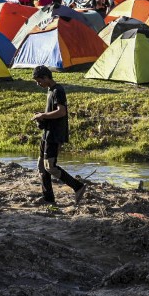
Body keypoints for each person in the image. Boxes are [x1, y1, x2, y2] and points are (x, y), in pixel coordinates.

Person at [31, 66, 86, 205]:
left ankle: (78, 186)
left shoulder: (58, 90)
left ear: (46, 77)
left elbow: (62, 111)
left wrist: (43, 115)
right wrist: (42, 116)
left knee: (50, 166)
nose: (38, 84)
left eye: (39, 81)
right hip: (47, 133)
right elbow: (53, 111)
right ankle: (48, 199)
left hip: (55, 134)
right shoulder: (50, 90)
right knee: (41, 166)